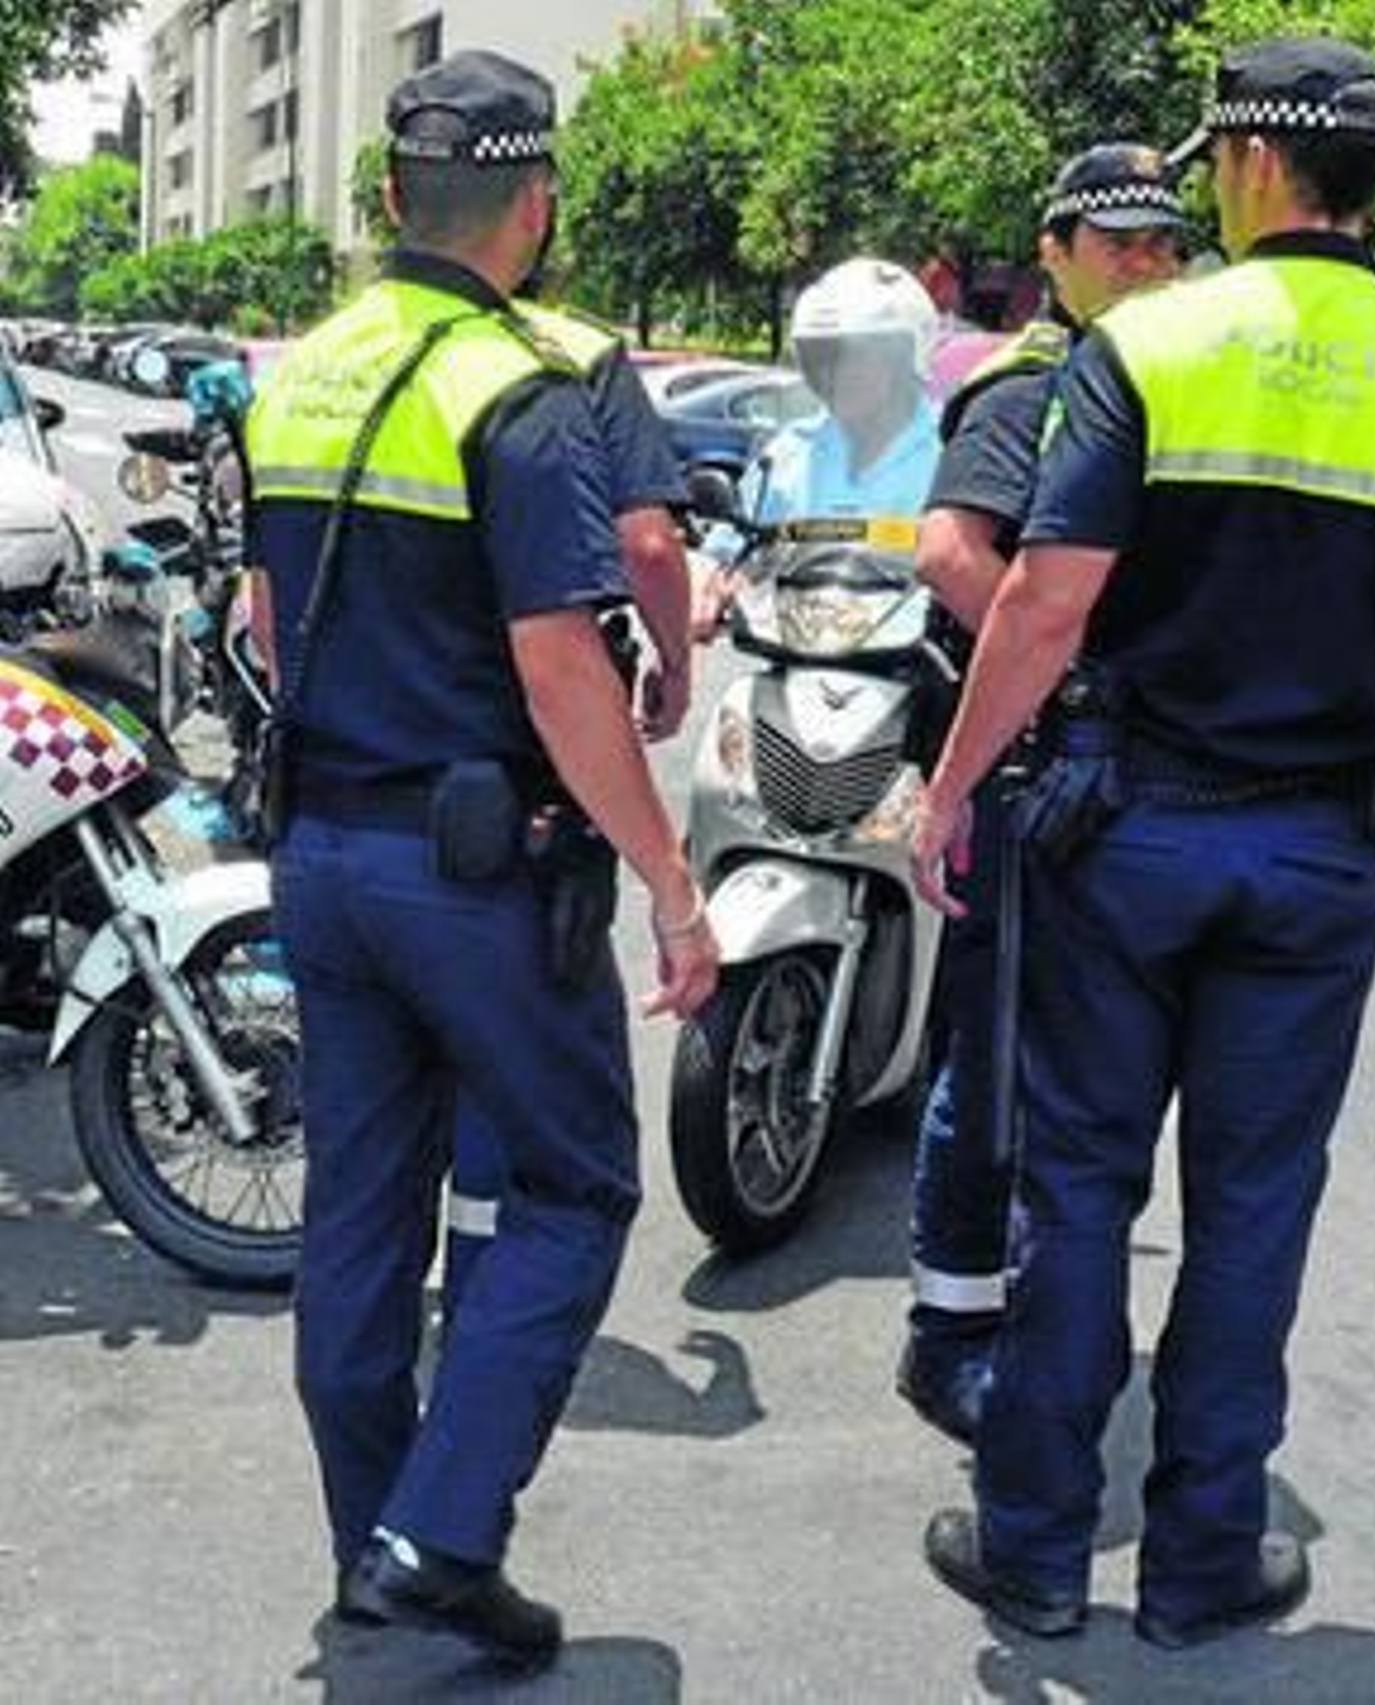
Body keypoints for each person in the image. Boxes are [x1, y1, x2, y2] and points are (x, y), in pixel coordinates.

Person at [910, 36, 1375, 1648]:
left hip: (1123, 838)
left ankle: (1036, 1549)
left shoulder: (1152, 344)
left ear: (1258, 164)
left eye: (1211, 161)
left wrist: (952, 788)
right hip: (1319, 857)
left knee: (1078, 1187)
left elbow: (1044, 602)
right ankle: (1204, 1558)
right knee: (1255, 1209)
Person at [245, 49, 718, 1669]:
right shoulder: (516, 391)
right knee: (577, 1184)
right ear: (537, 206)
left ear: (390, 196)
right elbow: (562, 669)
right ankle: (439, 1539)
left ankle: (372, 1554)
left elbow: (266, 625)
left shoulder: (297, 376)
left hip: (324, 850)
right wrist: (670, 884)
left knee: (361, 1221)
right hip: (472, 874)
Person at [898, 143, 1184, 1448]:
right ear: (1053, 251)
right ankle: (950, 1333)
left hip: (1104, 775)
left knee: (1066, 1066)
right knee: (994, 1060)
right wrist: (1074, 669)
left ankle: (1020, 1312)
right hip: (1024, 767)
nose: (1145, 263)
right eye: (1116, 242)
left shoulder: (1160, 376)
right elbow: (953, 552)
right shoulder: (1032, 384)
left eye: (1163, 242)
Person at [444, 294, 695, 1318]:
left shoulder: (348, 354)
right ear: (535, 219)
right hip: (522, 785)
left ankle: (434, 1330)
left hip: (357, 798)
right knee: (554, 1130)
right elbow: (647, 547)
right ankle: (484, 1348)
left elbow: (266, 608)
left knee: (380, 1155)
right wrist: (675, 658)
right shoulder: (575, 353)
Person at [690, 257, 940, 633]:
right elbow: (722, 551)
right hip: (792, 650)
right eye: (821, 358)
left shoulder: (954, 452)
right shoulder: (788, 452)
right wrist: (705, 584)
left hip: (913, 659)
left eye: (853, 355)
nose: (833, 373)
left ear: (903, 356)